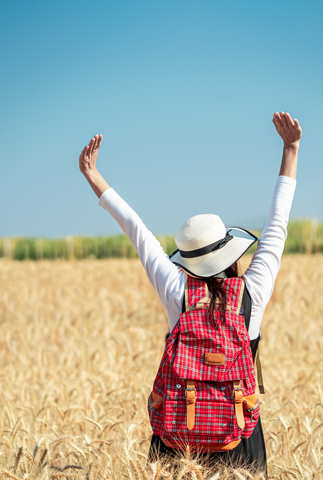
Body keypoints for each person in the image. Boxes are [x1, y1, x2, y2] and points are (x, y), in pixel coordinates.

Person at [79, 112, 302, 477]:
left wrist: (93, 175)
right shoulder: (253, 292)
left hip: (178, 433)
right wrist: (290, 149)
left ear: (188, 261)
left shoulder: (176, 290)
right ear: (230, 251)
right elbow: (278, 224)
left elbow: (138, 232)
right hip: (239, 436)